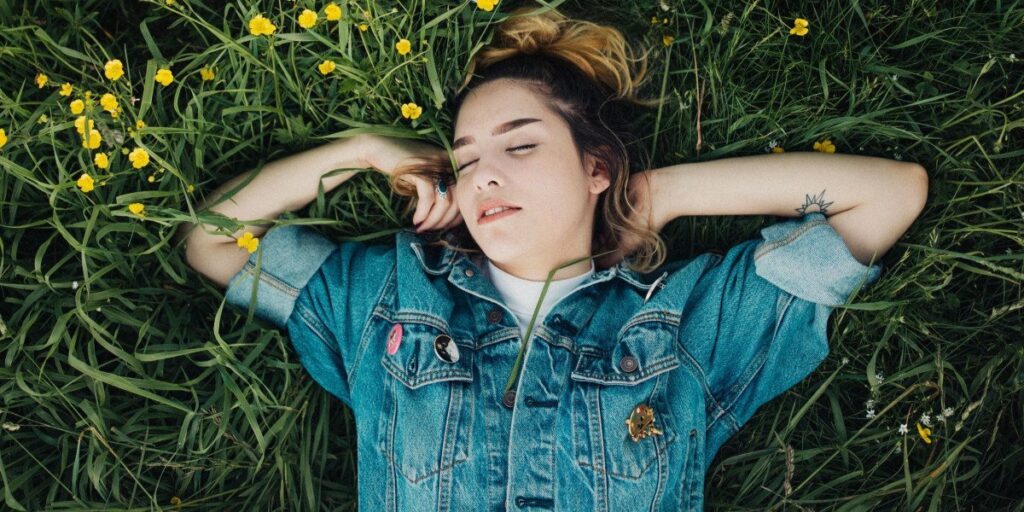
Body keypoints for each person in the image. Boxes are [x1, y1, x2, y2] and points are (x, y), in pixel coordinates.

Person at [177, 5, 928, 511]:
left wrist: (656, 194)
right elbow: (211, 239)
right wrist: (363, 151)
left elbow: (889, 195)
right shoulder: (385, 299)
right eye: (466, 160)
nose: (486, 175)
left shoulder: (680, 327)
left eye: (522, 144)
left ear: (595, 166)